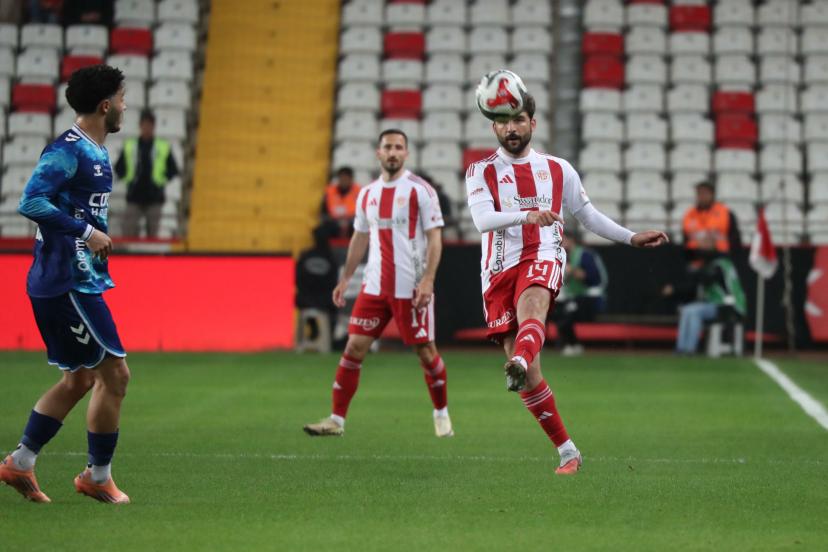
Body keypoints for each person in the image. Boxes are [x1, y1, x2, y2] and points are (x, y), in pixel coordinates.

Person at [465, 94, 668, 475]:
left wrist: (630, 237)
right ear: (494, 127)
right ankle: (568, 451)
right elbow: (482, 220)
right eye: (504, 122)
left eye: (519, 120)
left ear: (533, 123)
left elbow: (587, 215)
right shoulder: (480, 171)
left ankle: (520, 359)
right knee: (531, 378)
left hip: (542, 255)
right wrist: (528, 215)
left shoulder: (558, 169)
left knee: (533, 308)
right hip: (496, 271)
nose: (512, 128)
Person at [0, 65, 131, 504]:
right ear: (106, 105)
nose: (126, 106)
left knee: (79, 380)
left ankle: (20, 463)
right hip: (66, 282)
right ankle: (97, 476)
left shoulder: (95, 150)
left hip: (73, 280)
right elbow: (30, 201)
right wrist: (86, 232)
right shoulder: (67, 151)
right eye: (122, 98)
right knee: (114, 375)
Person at [304, 129, 453, 438]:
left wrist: (428, 280)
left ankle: (441, 413)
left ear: (406, 153)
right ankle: (336, 420)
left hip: (411, 288)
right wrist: (346, 277)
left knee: (426, 352)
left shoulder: (420, 190)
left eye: (399, 147)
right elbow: (360, 237)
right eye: (388, 147)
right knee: (354, 347)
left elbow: (434, 238)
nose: (393, 152)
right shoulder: (367, 193)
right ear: (379, 152)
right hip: (374, 287)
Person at [662, 235, 747, 355]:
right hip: (721, 305)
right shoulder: (715, 262)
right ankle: (681, 348)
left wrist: (692, 274)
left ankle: (689, 349)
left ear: (712, 244)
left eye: (705, 243)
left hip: (730, 307)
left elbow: (705, 279)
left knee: (693, 311)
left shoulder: (719, 263)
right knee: (687, 310)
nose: (701, 247)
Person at [115, 109, 179, 238]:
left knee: (152, 237)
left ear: (154, 126)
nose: (147, 128)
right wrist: (128, 180)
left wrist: (161, 181)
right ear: (140, 126)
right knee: (128, 233)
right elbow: (119, 167)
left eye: (149, 125)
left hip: (155, 197)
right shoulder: (130, 145)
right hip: (134, 195)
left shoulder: (163, 146)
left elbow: (173, 169)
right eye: (144, 124)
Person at [553, 229, 608, 356]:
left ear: (571, 240)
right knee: (558, 311)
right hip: (574, 297)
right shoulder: (563, 256)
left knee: (567, 313)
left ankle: (571, 344)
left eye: (562, 240)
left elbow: (594, 278)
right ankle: (572, 344)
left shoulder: (585, 255)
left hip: (590, 298)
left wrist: (573, 271)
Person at [295, 224, 339, 345]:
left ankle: (313, 330)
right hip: (325, 300)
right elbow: (334, 282)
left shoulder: (305, 256)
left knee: (302, 301)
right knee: (334, 305)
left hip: (305, 299)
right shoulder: (331, 258)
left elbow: (297, 279)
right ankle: (329, 338)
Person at [682, 182, 742, 262]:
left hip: (720, 255)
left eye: (705, 193)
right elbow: (685, 239)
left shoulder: (725, 213)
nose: (701, 196)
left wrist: (714, 243)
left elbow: (735, 238)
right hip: (695, 256)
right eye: (699, 193)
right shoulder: (689, 214)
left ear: (712, 194)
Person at [320, 166, 361, 239]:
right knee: (320, 232)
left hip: (352, 223)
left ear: (351, 179)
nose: (343, 180)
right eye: (341, 178)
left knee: (361, 231)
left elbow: (363, 212)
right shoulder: (329, 191)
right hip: (333, 222)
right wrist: (334, 220)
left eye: (346, 178)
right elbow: (323, 213)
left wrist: (348, 220)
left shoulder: (359, 191)